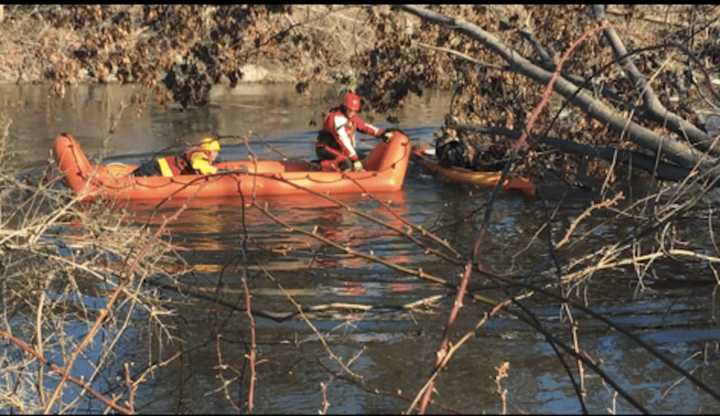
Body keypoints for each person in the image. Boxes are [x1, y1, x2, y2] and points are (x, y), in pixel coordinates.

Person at [315, 92, 393, 172]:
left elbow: (364, 126)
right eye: (350, 110)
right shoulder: (336, 118)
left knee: (359, 158)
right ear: (345, 107)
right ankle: (322, 166)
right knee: (346, 163)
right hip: (325, 149)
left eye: (355, 111)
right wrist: (354, 159)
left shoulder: (352, 117)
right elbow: (343, 140)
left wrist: (382, 133)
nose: (352, 113)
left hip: (340, 150)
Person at [132, 137, 224, 177]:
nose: (217, 155)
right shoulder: (199, 155)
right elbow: (198, 165)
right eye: (215, 152)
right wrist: (220, 172)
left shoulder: (197, 152)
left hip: (155, 166)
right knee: (130, 179)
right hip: (157, 170)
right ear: (208, 151)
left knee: (131, 176)